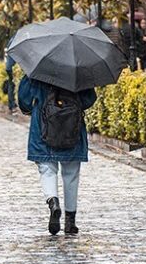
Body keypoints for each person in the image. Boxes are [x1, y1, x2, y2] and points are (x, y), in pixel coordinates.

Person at [18, 76, 97, 235]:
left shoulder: (35, 72)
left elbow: (24, 102)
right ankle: (70, 221)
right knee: (71, 174)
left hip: (43, 128)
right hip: (72, 127)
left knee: (47, 169)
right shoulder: (77, 70)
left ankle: (53, 201)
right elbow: (89, 99)